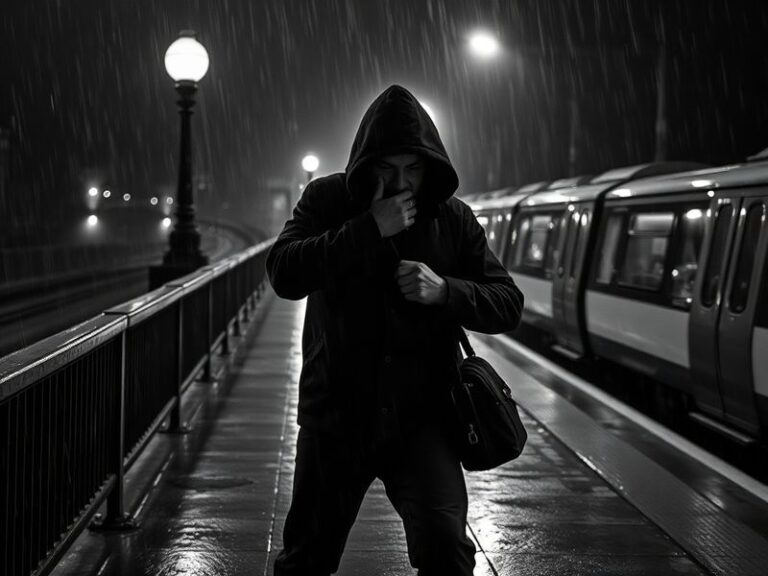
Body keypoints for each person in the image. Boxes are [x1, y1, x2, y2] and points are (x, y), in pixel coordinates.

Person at [266, 84, 523, 576]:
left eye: (412, 169)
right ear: (366, 163)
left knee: (446, 549)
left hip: (423, 418)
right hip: (336, 415)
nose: (401, 182)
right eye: (386, 169)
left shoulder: (453, 217)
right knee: (307, 558)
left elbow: (508, 303)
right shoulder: (326, 200)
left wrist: (446, 291)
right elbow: (283, 273)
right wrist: (368, 228)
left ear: (430, 166)